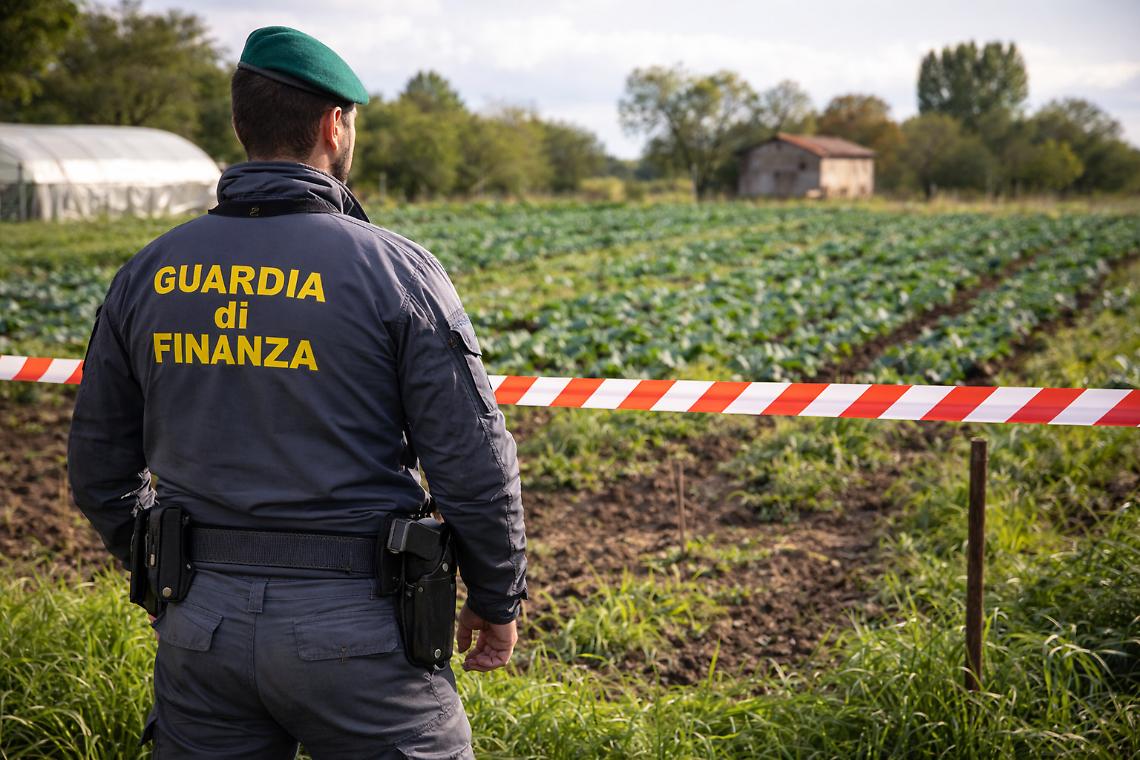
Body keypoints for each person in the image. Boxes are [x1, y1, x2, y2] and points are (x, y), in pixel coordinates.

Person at [67, 25, 526, 759]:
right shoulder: (395, 271)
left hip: (200, 630)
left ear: (242, 125)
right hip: (359, 634)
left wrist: (170, 570)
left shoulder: (150, 270)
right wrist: (498, 598)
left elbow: (96, 464)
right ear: (331, 125)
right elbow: (473, 460)